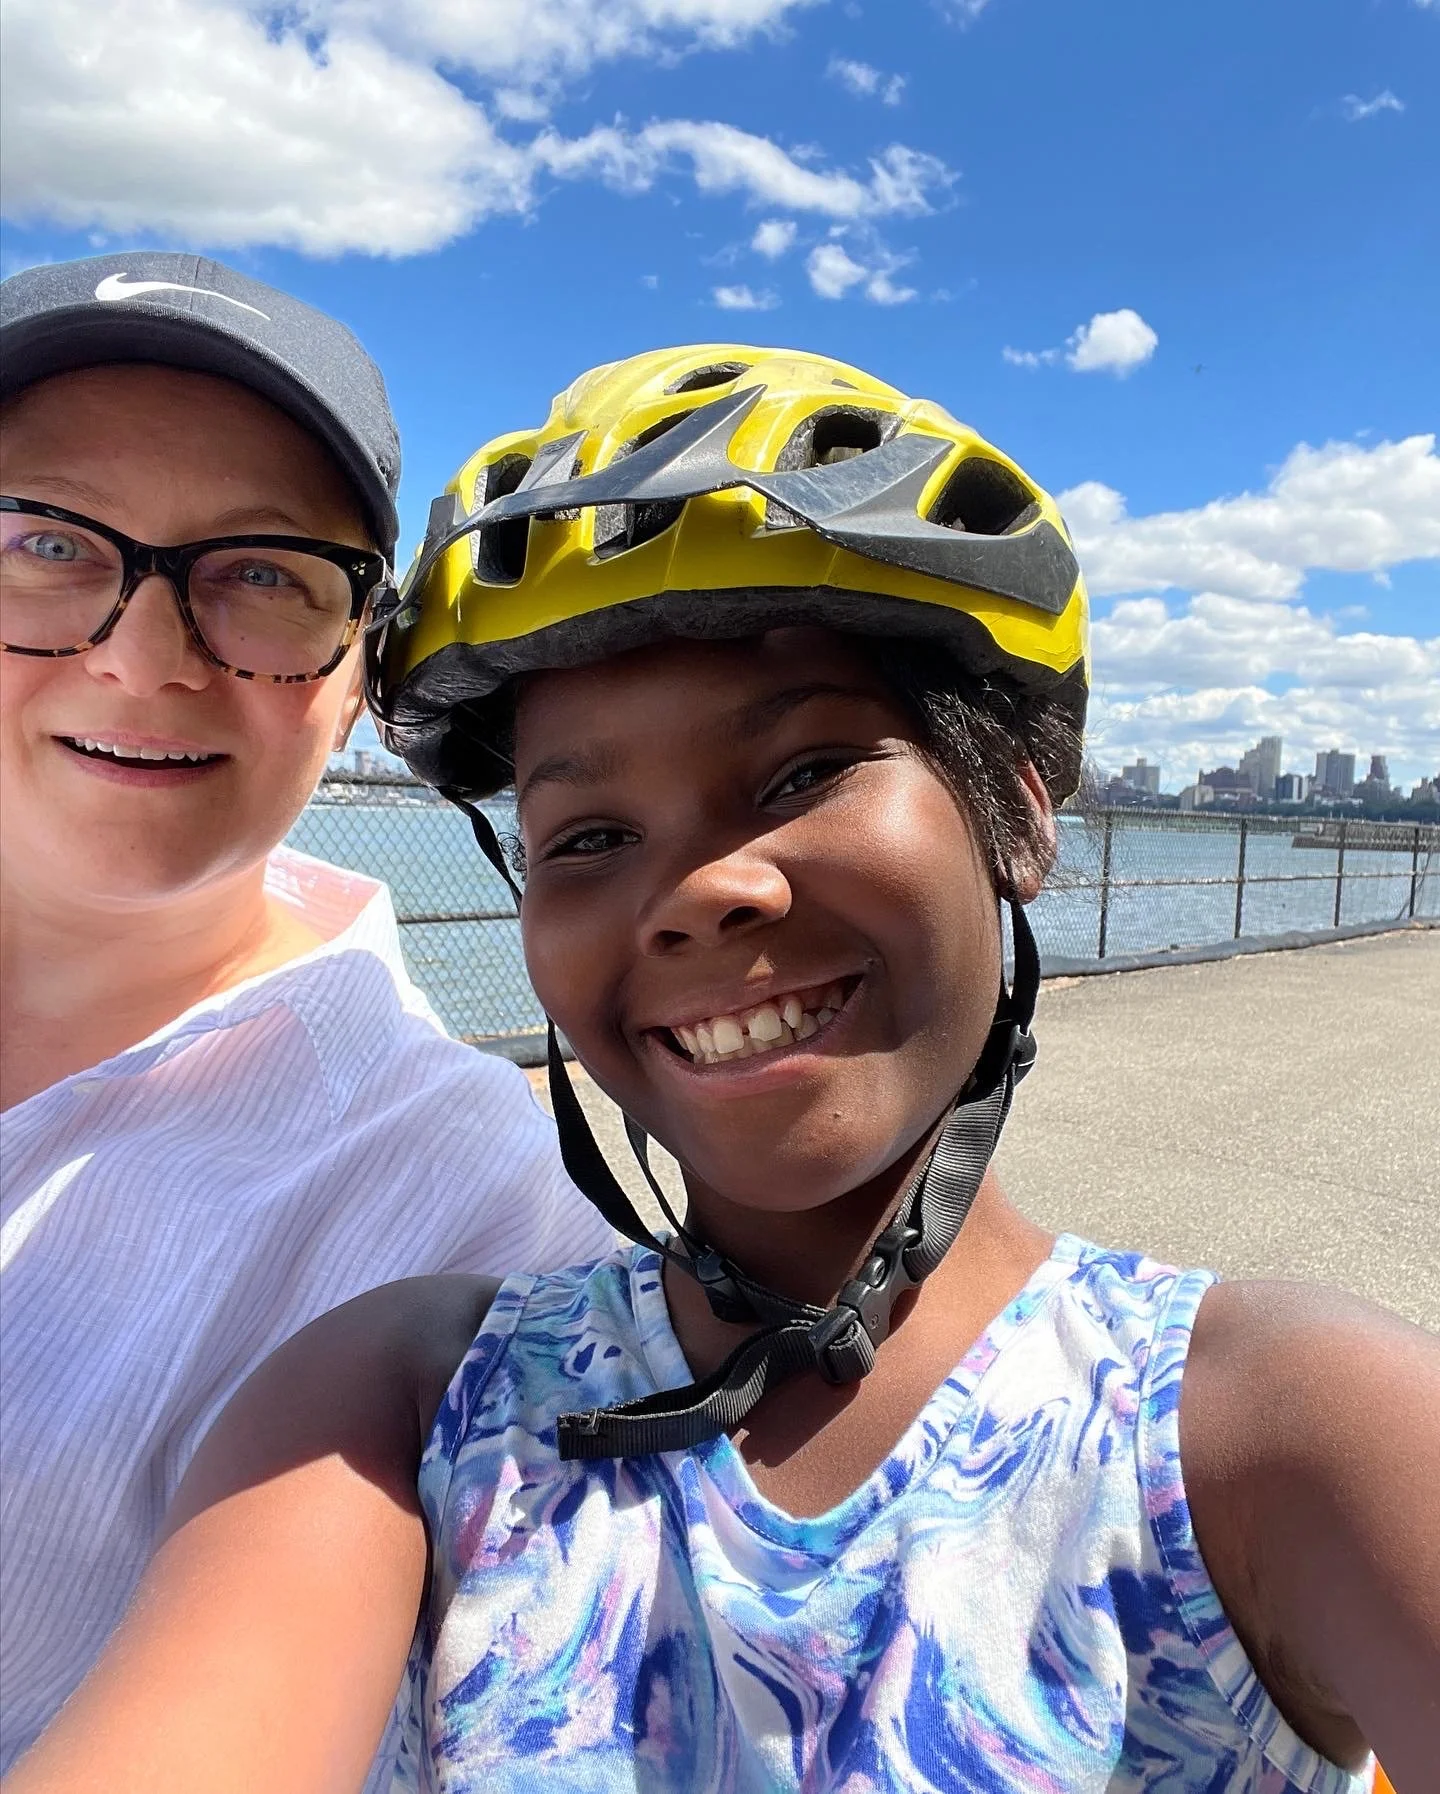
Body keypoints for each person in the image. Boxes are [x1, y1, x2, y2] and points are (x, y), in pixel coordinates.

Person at [11, 346, 1437, 1793]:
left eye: (806, 770)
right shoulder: (399, 1401)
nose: (698, 890)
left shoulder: (1276, 1431)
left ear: (1014, 816)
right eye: (588, 836)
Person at [0, 253, 614, 1770]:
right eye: (43, 541)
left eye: (263, 572)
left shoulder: (481, 1207)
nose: (141, 654)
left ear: (356, 682)